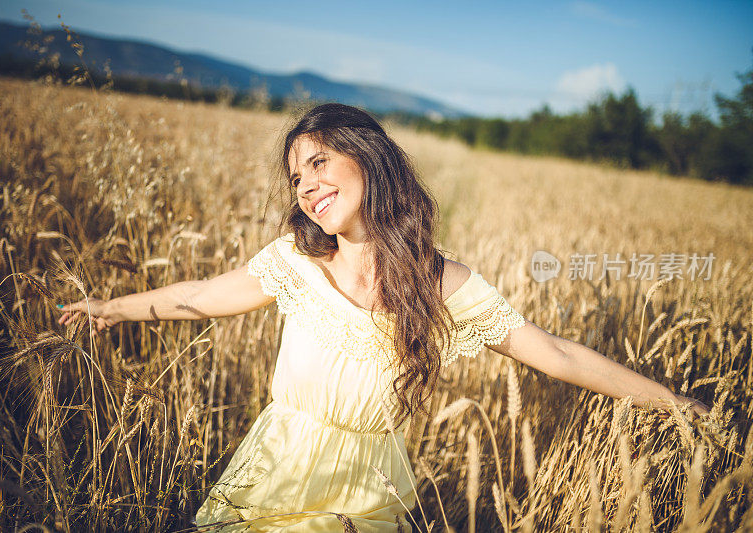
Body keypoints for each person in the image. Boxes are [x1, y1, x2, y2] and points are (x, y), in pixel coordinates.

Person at [57, 103, 710, 531]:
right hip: (267, 476)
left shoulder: (440, 283)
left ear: (366, 157)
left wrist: (674, 403)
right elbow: (198, 294)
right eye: (295, 178)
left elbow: (557, 353)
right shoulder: (296, 262)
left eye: (318, 163)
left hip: (362, 503)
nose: (306, 186)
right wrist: (109, 309)